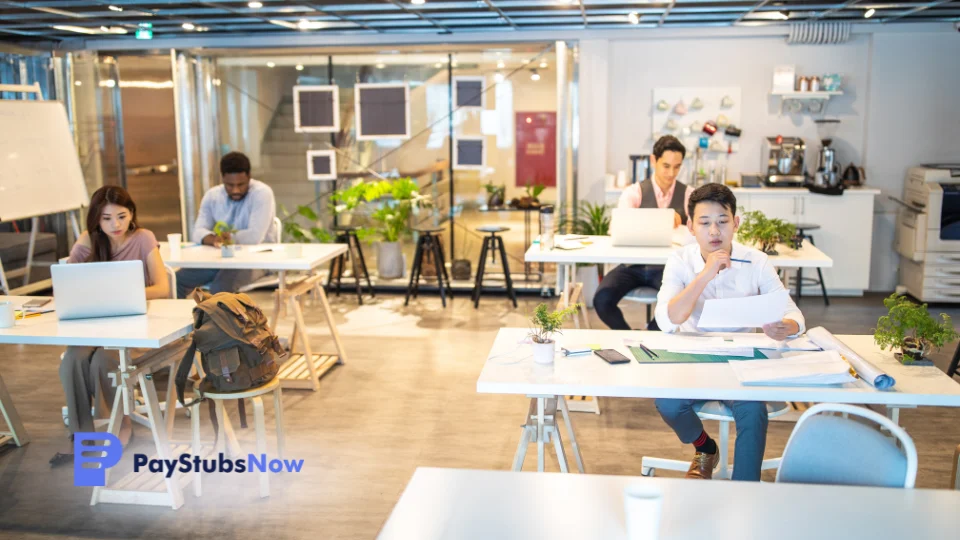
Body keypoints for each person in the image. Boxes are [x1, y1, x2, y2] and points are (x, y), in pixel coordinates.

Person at [653, 184, 805, 481]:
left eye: (722, 222)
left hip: (741, 358)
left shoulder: (756, 261)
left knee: (753, 413)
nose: (714, 232)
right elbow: (667, 320)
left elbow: (794, 314)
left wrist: (786, 326)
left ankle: (744, 489)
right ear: (690, 227)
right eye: (704, 223)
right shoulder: (680, 260)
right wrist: (706, 273)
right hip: (692, 354)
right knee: (668, 403)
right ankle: (705, 447)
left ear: (736, 223)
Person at [52, 185, 170, 466]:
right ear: (96, 219)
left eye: (121, 216)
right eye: (106, 218)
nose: (115, 225)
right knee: (73, 360)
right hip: (95, 325)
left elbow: (162, 287)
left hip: (135, 326)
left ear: (131, 214)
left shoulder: (143, 238)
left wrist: (123, 295)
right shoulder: (88, 241)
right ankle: (81, 437)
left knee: (104, 360)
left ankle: (121, 424)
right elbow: (63, 287)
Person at [594, 135, 692, 331]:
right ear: (653, 160)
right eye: (666, 166)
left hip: (667, 267)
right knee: (602, 299)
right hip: (632, 266)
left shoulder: (689, 194)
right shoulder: (634, 193)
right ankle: (628, 336)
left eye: (677, 166)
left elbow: (698, 232)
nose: (671, 173)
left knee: (675, 304)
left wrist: (683, 221)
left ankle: (651, 335)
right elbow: (617, 227)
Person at [175, 151, 278, 299]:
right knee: (175, 280)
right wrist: (212, 239)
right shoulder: (213, 196)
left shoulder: (262, 193)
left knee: (220, 287)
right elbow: (197, 231)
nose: (236, 190)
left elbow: (254, 237)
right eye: (230, 185)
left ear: (249, 177)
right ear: (222, 178)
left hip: (256, 260)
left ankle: (217, 322)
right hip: (220, 259)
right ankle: (181, 321)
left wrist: (226, 238)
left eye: (241, 184)